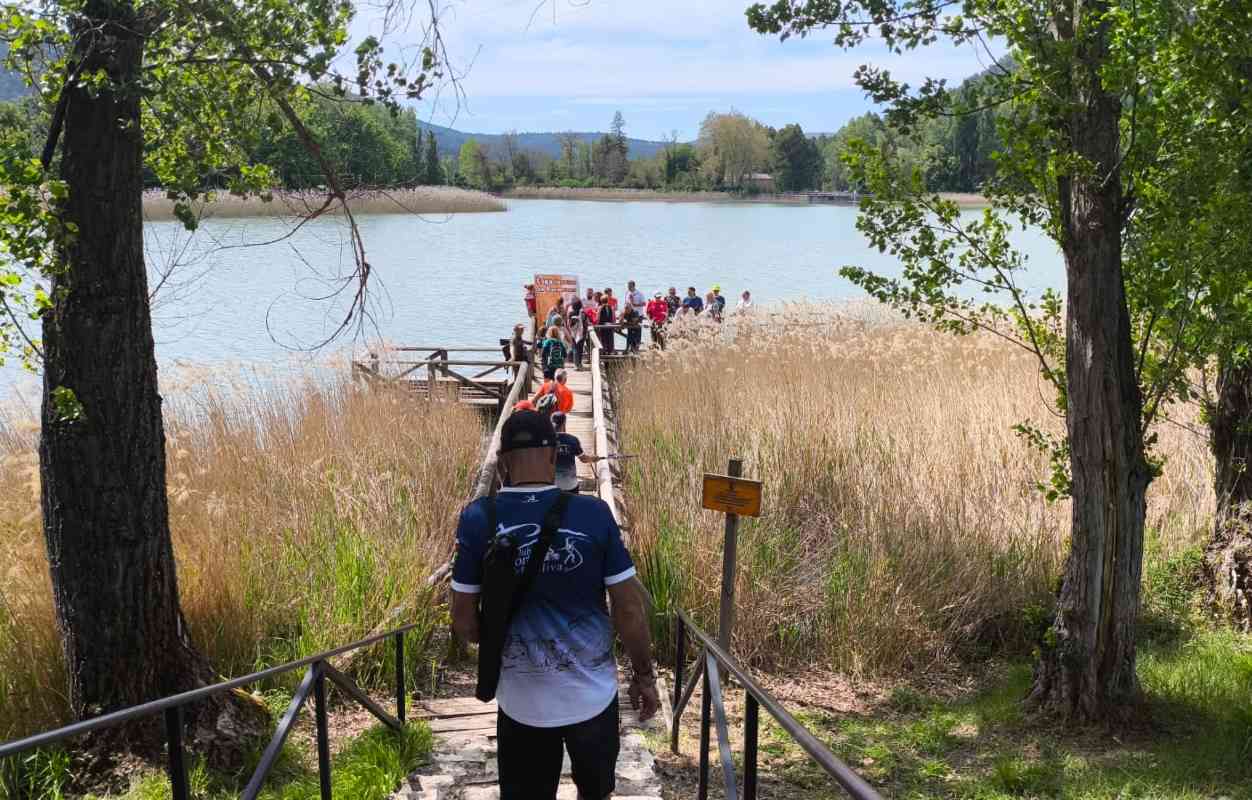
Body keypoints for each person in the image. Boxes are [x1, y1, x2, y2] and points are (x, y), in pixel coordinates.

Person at [450, 411, 658, 800]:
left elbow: (463, 621)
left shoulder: (479, 518)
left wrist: (498, 631)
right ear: (552, 455)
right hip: (593, 700)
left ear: (503, 461)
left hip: (521, 705)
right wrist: (643, 676)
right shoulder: (593, 513)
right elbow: (629, 609)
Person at [551, 411, 602, 493]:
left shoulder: (546, 441)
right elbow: (584, 459)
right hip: (570, 485)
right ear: (564, 423)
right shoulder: (572, 440)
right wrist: (594, 458)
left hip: (552, 486)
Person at [569, 300, 587, 369]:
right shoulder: (583, 313)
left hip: (574, 333)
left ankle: (576, 365)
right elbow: (585, 322)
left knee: (575, 348)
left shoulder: (571, 313)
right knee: (580, 348)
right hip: (582, 332)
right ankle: (579, 363)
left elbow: (569, 324)